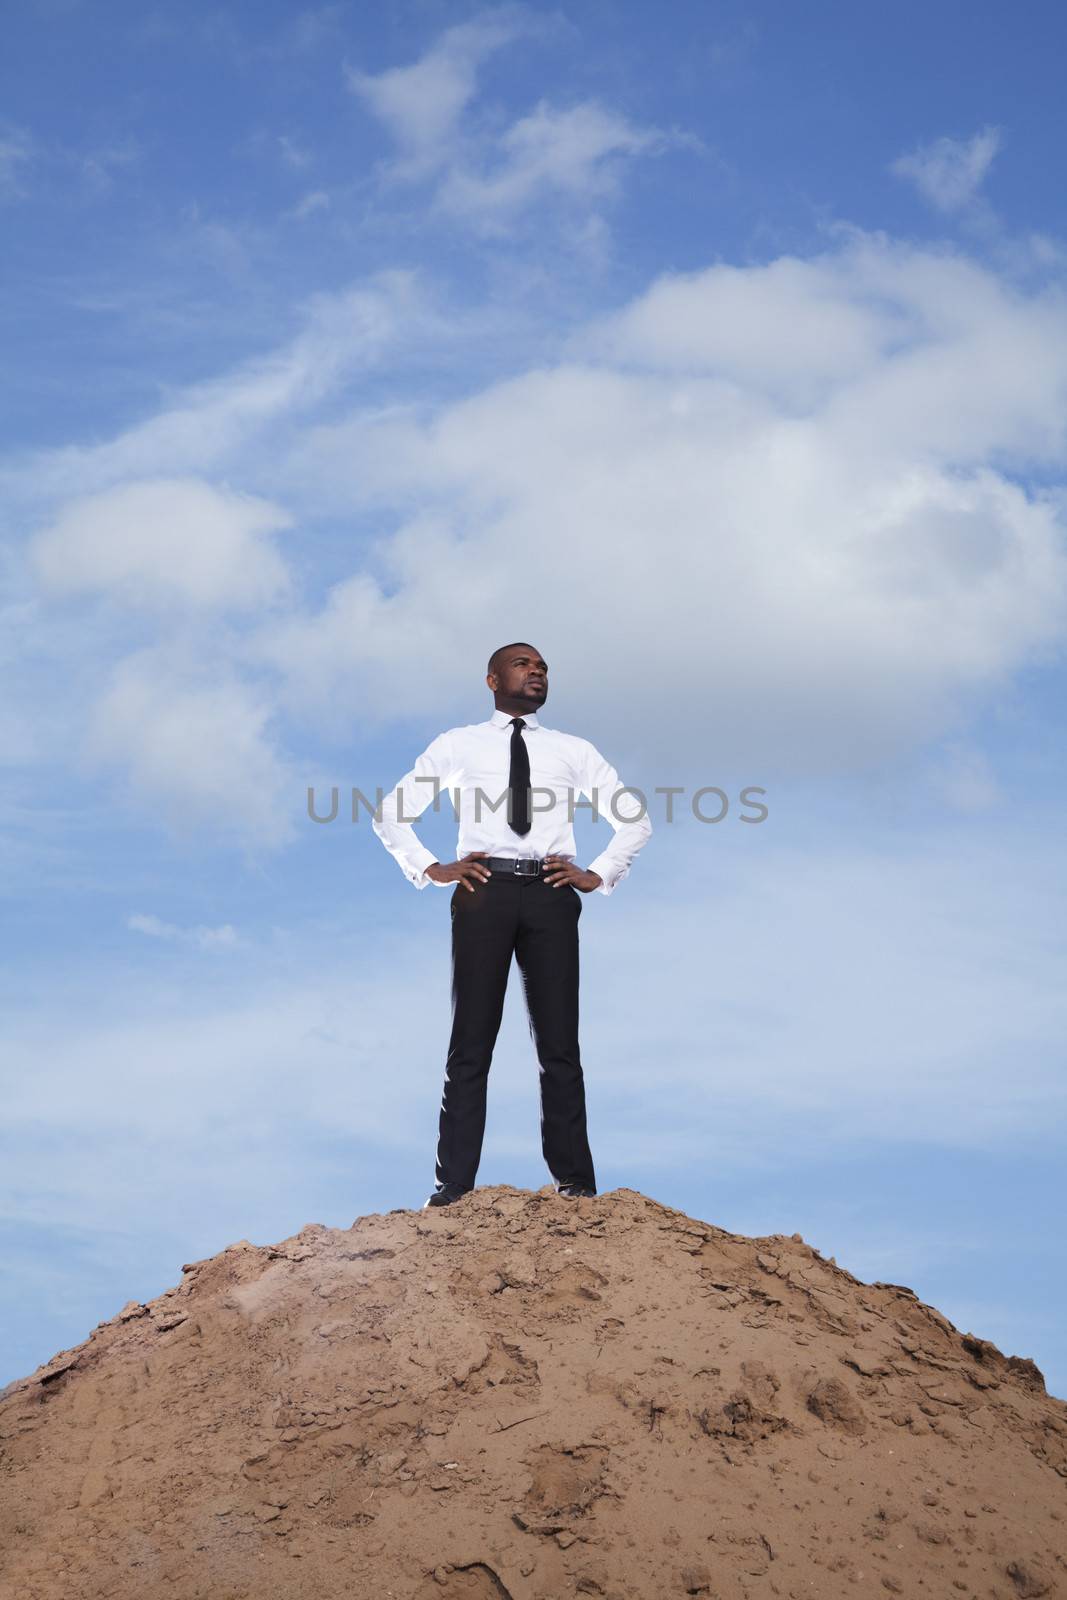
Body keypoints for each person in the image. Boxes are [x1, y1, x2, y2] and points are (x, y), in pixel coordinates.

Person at [372, 643, 652, 1209]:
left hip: (551, 894)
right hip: (483, 892)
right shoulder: (459, 745)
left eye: (543, 667)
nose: (537, 672)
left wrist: (598, 873)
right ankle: (452, 1189)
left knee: (559, 1044)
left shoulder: (574, 751)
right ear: (493, 679)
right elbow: (392, 812)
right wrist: (431, 867)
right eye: (524, 665)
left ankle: (576, 1183)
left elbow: (634, 819)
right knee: (471, 1042)